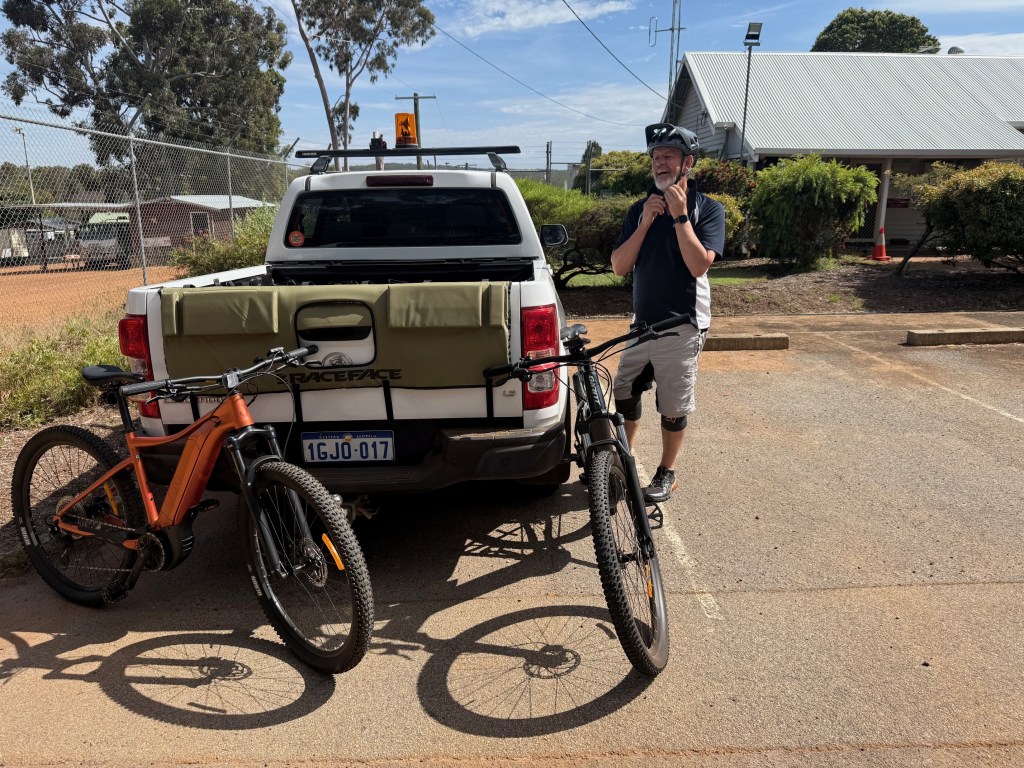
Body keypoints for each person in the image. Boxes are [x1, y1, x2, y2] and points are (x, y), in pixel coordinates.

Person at [609, 123, 726, 503]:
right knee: (624, 392)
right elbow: (619, 266)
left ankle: (666, 471)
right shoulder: (639, 209)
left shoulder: (708, 209)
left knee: (673, 406)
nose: (660, 163)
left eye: (669, 156)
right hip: (642, 325)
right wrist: (645, 223)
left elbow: (698, 265)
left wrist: (679, 216)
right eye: (656, 157)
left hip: (683, 324)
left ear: (687, 163)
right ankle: (623, 462)